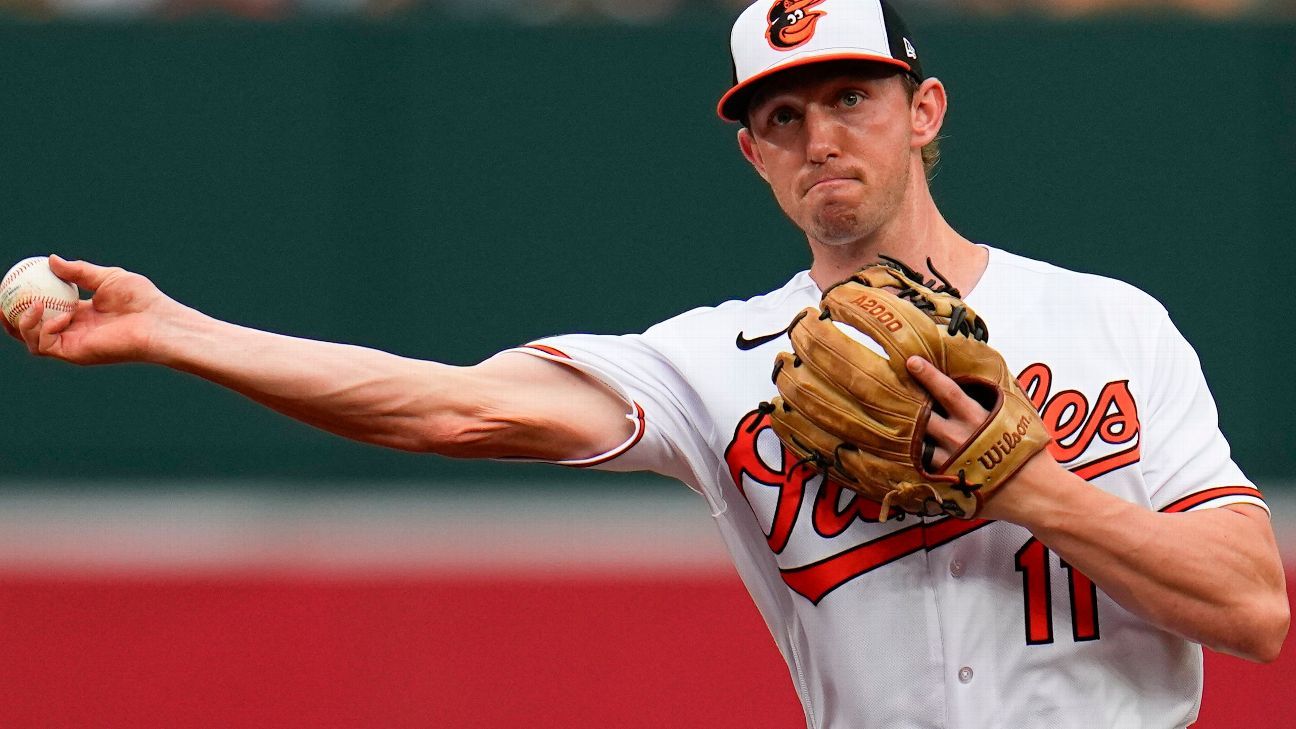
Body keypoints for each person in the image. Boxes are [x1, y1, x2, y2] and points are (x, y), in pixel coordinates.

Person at [5, 1, 1287, 726]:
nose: (818, 134)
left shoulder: (1111, 323)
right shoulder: (716, 363)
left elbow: (1256, 613)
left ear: (925, 108)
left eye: (851, 97)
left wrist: (1034, 492)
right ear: (751, 154)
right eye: (781, 115)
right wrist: (175, 330)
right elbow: (448, 412)